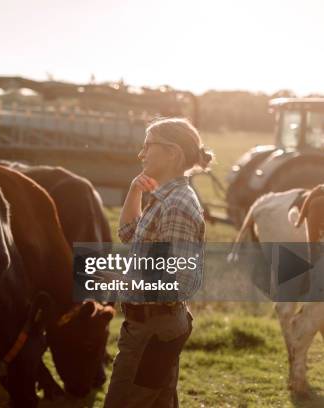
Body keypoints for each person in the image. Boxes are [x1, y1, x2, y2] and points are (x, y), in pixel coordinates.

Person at [103, 117, 213, 407]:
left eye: (148, 146)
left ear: (173, 153)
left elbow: (177, 283)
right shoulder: (165, 199)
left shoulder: (176, 205)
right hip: (154, 327)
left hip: (152, 330)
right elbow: (127, 233)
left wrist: (120, 279)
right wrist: (134, 190)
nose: (141, 154)